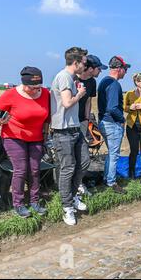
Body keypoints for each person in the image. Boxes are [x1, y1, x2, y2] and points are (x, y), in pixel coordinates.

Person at [0, 67, 50, 218]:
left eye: (39, 86)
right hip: (13, 137)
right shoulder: (10, 95)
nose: (37, 90)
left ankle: (34, 201)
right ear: (24, 84)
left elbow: (48, 115)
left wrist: (46, 132)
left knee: (35, 170)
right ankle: (18, 204)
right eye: (33, 87)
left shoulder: (45, 93)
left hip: (36, 137)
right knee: (21, 169)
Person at [50, 47, 90, 226]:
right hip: (63, 131)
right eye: (84, 62)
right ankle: (67, 207)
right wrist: (80, 94)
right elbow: (66, 103)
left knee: (84, 162)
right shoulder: (64, 76)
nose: (85, 65)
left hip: (74, 129)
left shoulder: (71, 78)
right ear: (76, 63)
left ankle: (72, 197)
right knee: (68, 169)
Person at [98, 56, 130, 194]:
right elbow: (112, 108)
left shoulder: (104, 81)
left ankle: (107, 178)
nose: (126, 72)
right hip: (111, 122)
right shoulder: (114, 84)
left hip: (104, 121)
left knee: (111, 153)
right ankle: (111, 182)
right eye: (125, 69)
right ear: (119, 69)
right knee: (114, 154)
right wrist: (122, 119)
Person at [76, 54, 108, 197]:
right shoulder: (72, 79)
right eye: (98, 69)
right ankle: (71, 188)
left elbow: (88, 101)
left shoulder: (92, 83)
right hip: (67, 124)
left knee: (84, 158)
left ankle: (78, 183)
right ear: (90, 68)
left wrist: (87, 119)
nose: (100, 72)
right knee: (70, 159)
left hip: (82, 122)